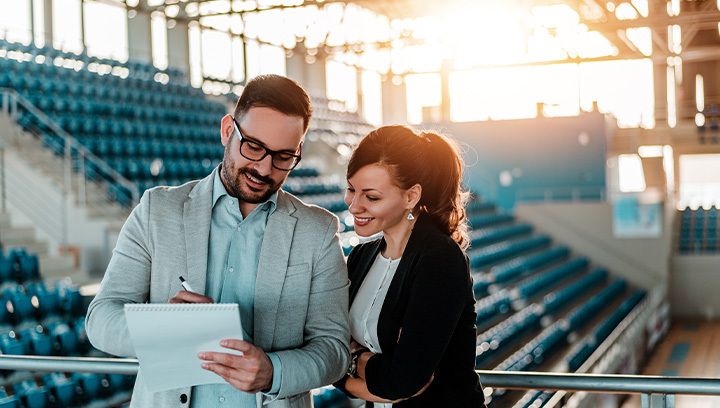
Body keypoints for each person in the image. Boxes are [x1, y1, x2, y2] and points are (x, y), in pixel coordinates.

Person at [86, 74, 350, 408]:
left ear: (298, 151)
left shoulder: (319, 231)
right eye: (253, 146)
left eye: (283, 156)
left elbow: (334, 349)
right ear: (228, 130)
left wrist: (274, 372)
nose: (264, 168)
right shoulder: (157, 210)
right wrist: (162, 327)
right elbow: (100, 319)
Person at [333, 125, 487, 407]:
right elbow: (331, 353)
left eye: (371, 197)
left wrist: (352, 360)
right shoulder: (361, 257)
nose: (354, 206)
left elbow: (403, 380)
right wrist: (364, 367)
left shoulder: (440, 258)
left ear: (411, 196)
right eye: (351, 190)